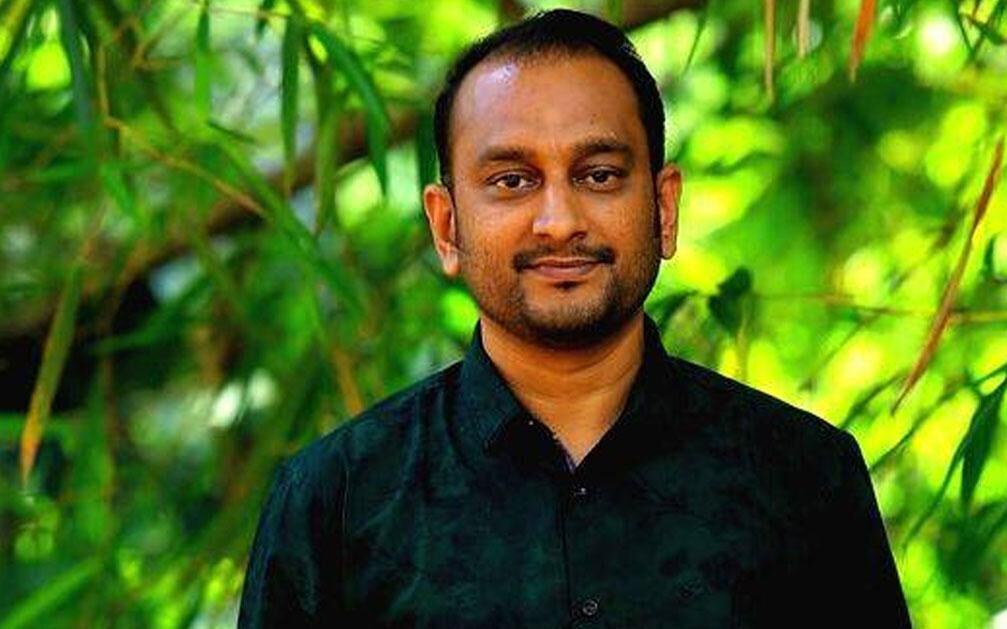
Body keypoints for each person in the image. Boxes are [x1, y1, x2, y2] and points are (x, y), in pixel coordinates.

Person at [237, 8, 911, 628]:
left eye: (599, 175)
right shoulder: (339, 500)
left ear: (664, 208)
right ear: (446, 226)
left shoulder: (802, 478)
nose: (559, 222)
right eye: (512, 181)